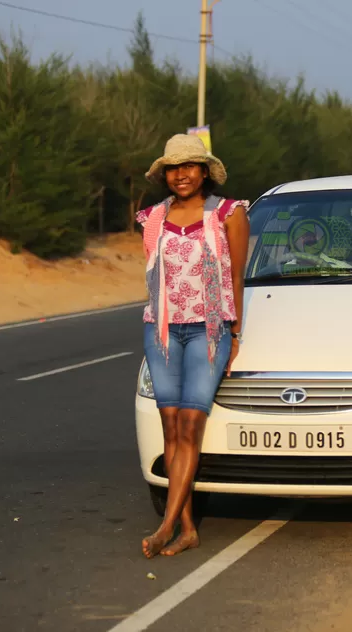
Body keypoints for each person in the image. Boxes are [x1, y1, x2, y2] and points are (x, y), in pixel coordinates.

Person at [136, 134, 250, 558]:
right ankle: (187, 529)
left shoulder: (229, 214)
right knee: (169, 426)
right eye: (173, 168)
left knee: (190, 424)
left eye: (189, 167)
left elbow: (236, 277)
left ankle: (166, 524)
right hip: (161, 329)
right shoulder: (150, 218)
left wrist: (235, 333)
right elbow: (154, 277)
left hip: (210, 328)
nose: (181, 175)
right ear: (164, 174)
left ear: (204, 172)